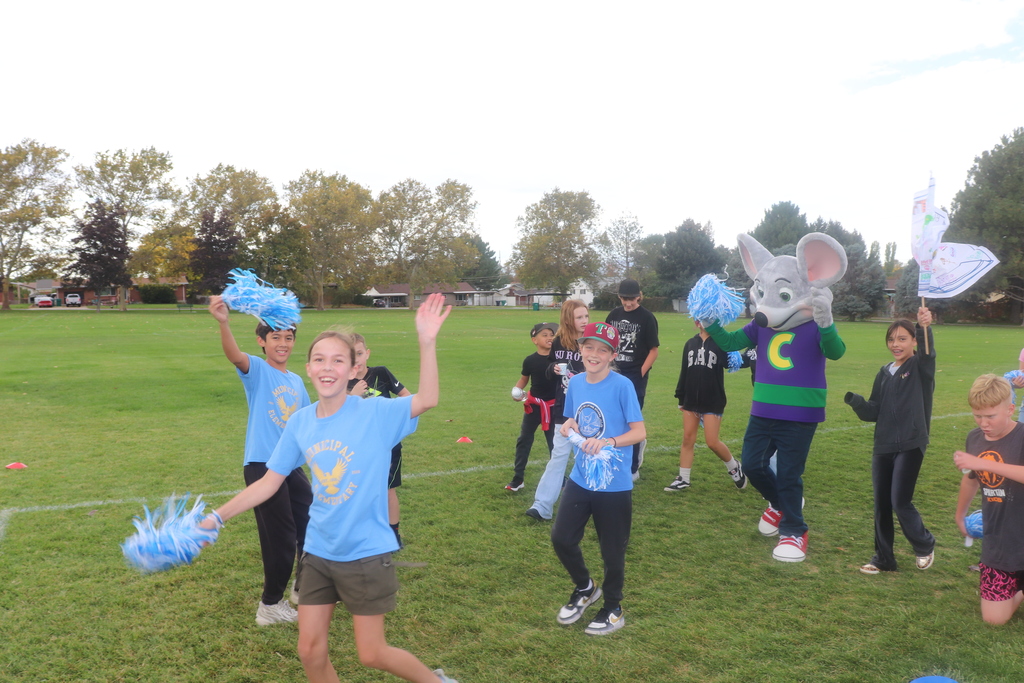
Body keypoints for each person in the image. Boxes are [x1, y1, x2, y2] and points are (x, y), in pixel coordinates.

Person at [200, 293, 458, 683]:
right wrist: (217, 516)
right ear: (308, 368)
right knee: (310, 651)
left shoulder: (375, 413)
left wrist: (427, 341)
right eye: (319, 359)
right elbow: (270, 481)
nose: (327, 367)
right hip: (319, 552)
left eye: (338, 360)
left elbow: (428, 399)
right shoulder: (301, 422)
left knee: (372, 653)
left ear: (355, 368)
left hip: (366, 552)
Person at [208, 295, 312, 626]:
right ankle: (270, 606)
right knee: (280, 538)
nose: (283, 344)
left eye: (288, 337)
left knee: (312, 523)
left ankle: (303, 587)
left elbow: (310, 420)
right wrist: (224, 322)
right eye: (275, 337)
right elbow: (234, 356)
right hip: (262, 466)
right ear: (262, 342)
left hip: (291, 467)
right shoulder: (258, 371)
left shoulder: (296, 381)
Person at [551, 321, 645, 636]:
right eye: (588, 347)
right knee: (561, 538)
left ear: (612, 355)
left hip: (613, 483)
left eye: (602, 350)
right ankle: (585, 587)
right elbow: (572, 419)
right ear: (580, 349)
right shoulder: (576, 383)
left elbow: (639, 431)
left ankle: (614, 609)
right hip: (581, 477)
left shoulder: (622, 386)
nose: (594, 354)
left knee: (612, 551)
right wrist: (568, 425)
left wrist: (609, 442)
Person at [845, 307, 936, 574]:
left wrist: (924, 327)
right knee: (882, 504)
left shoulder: (921, 366)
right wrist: (857, 403)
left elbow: (929, 352)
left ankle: (924, 544)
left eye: (902, 338)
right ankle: (884, 559)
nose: (895, 344)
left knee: (900, 500)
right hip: (883, 446)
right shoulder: (884, 372)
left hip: (911, 443)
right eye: (891, 339)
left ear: (914, 341)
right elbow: (874, 411)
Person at [954, 374, 1024, 626]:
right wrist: (959, 515)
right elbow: (971, 479)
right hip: (1000, 542)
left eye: (990, 416)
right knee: (994, 620)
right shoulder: (975, 438)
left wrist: (981, 462)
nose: (983, 423)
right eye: (977, 415)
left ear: (1010, 409)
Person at [665, 320, 747, 492]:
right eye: (700, 318)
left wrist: (729, 347)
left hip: (713, 400)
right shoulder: (690, 343)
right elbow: (684, 371)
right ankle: (683, 478)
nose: (702, 322)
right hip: (690, 401)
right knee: (688, 439)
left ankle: (734, 466)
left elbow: (729, 363)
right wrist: (681, 396)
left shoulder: (720, 342)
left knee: (712, 442)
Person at [347, 333, 412, 549]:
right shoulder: (343, 381)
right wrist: (354, 395)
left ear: (367, 353)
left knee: (387, 490)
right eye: (350, 354)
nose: (356, 359)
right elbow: (338, 415)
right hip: (359, 447)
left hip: (387, 445)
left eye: (359, 353)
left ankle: (394, 535)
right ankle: (363, 533)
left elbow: (408, 398)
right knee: (359, 490)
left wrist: (394, 423)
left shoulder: (381, 373)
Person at [526, 301, 589, 521]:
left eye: (586, 316)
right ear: (568, 319)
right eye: (579, 317)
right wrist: (551, 369)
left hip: (588, 412)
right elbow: (549, 367)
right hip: (564, 409)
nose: (584, 321)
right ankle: (542, 506)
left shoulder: (591, 341)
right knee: (558, 457)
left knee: (588, 457)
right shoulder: (559, 342)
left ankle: (594, 503)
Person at [605, 279, 659, 480]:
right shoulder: (613, 315)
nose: (628, 303)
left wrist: (640, 373)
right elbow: (607, 343)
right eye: (624, 299)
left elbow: (654, 350)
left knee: (631, 422)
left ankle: (633, 467)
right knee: (611, 418)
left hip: (635, 378)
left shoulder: (647, 318)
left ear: (639, 296)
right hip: (613, 375)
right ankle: (612, 458)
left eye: (632, 299)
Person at [506, 322, 559, 492]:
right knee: (524, 440)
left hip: (553, 408)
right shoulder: (530, 360)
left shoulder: (559, 359)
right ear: (534, 339)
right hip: (533, 407)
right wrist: (517, 391)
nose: (549, 338)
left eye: (552, 334)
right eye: (544, 335)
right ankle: (518, 478)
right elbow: (524, 379)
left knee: (554, 444)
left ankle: (560, 478)